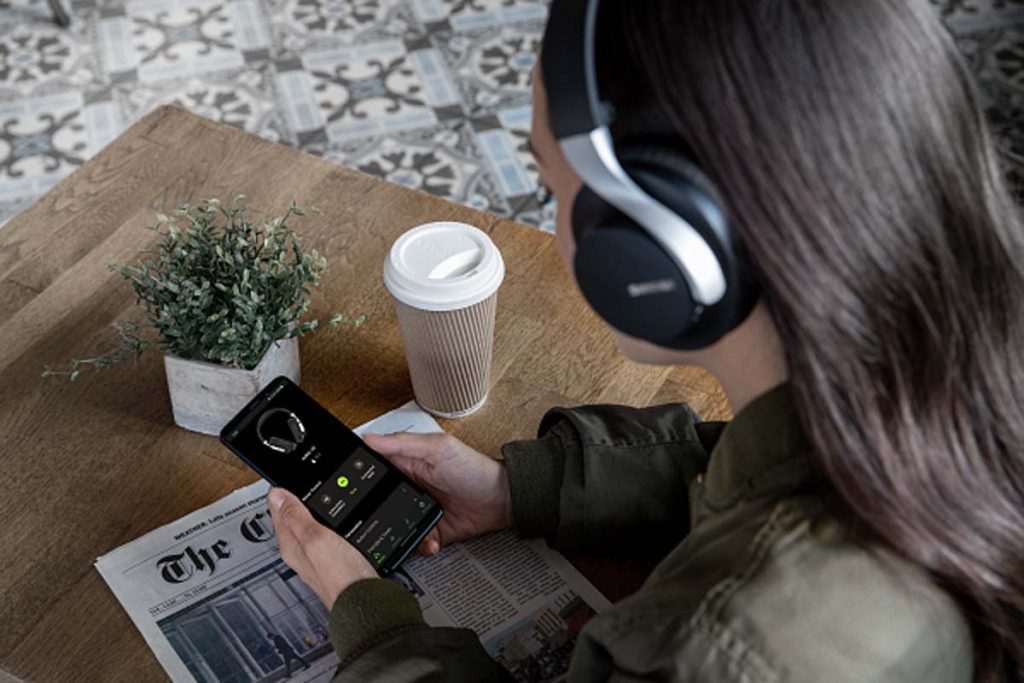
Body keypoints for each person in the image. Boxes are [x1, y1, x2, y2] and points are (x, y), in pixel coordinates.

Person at [266, 1, 1024, 681]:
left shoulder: (720, 651)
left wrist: (372, 619)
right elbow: (775, 466)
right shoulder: (956, 378)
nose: (561, 228)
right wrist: (523, 488)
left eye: (556, 192)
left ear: (654, 248)